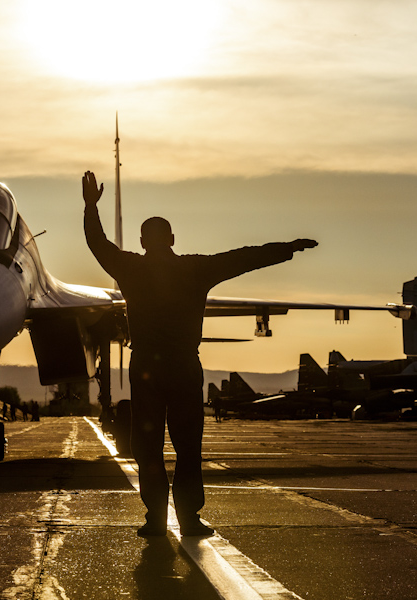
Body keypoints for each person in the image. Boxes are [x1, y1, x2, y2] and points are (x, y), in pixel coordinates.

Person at [82, 171, 317, 537]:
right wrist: (287, 248)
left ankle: (155, 519)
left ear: (142, 241)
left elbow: (98, 244)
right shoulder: (195, 268)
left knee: (148, 445)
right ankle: (189, 518)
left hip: (145, 367)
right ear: (172, 239)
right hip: (183, 366)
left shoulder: (129, 267)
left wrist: (90, 207)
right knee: (188, 445)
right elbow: (244, 258)